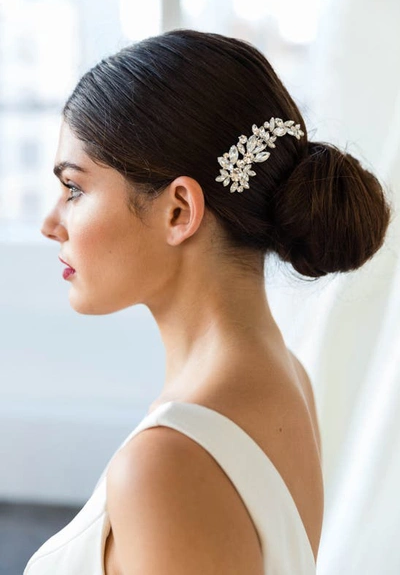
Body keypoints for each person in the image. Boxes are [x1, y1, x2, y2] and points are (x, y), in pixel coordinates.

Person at [24, 29, 391, 574]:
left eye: (75, 188)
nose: (51, 223)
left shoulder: (166, 463)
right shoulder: (286, 378)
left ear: (179, 211)